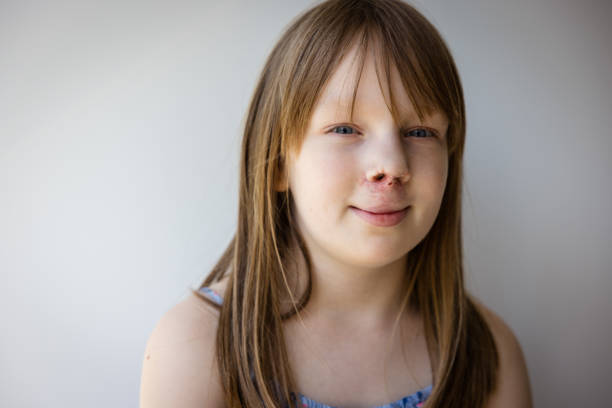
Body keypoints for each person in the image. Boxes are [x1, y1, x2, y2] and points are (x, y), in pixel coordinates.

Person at [139, 0, 532, 407]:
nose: (392, 166)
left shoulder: (489, 354)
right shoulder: (197, 345)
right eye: (345, 128)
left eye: (420, 132)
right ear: (277, 163)